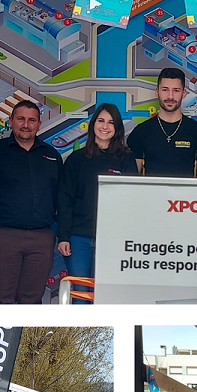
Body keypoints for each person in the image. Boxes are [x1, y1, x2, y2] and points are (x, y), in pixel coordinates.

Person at [0, 101, 61, 304]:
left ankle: (26, 338)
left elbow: (60, 197)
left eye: (32, 120)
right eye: (21, 119)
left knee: (32, 301)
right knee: (0, 299)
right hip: (2, 236)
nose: (26, 124)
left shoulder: (52, 156)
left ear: (39, 124)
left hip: (41, 238)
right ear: (11, 121)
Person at [57, 103, 134, 302]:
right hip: (78, 239)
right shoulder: (76, 160)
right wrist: (63, 236)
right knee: (80, 297)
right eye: (101, 121)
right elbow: (65, 200)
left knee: (106, 299)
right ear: (93, 124)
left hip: (112, 240)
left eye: (111, 122)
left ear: (117, 128)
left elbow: (131, 202)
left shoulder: (126, 159)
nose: (105, 126)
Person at [129, 68, 197, 178]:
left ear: (184, 93)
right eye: (165, 90)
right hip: (151, 194)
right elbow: (133, 182)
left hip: (186, 195)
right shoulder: (140, 132)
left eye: (176, 90)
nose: (170, 96)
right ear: (157, 91)